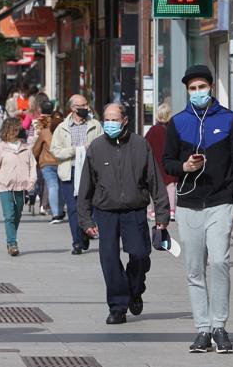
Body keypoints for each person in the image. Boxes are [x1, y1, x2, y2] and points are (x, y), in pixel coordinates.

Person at [163, 65, 233, 353]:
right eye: (192, 88)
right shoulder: (178, 123)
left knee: (219, 262)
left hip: (220, 203)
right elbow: (167, 163)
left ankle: (219, 326)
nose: (198, 92)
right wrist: (185, 166)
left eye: (202, 87)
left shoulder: (229, 120)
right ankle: (202, 329)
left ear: (211, 87)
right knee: (194, 269)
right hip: (188, 205)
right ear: (187, 91)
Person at [78, 103, 170, 325]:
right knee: (109, 260)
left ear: (124, 120)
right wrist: (86, 219)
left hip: (134, 209)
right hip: (106, 212)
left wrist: (161, 217)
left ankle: (135, 288)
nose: (109, 124)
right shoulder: (96, 148)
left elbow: (155, 182)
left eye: (114, 119)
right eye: (106, 119)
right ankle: (118, 307)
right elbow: (85, 188)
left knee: (139, 254)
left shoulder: (140, 145)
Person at [51, 94, 103, 255]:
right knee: (73, 208)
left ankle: (87, 230)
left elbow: (102, 145)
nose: (86, 108)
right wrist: (76, 150)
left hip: (89, 171)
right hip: (70, 171)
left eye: (87, 104)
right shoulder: (62, 127)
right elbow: (55, 151)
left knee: (90, 205)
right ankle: (78, 241)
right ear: (73, 108)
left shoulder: (95, 125)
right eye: (82, 105)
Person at [0, 118, 37, 257]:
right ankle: (12, 243)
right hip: (4, 186)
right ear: (7, 130)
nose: (17, 131)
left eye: (18, 129)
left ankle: (11, 238)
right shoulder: (1, 147)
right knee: (9, 215)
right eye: (14, 129)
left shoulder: (25, 147)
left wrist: (31, 181)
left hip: (21, 186)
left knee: (17, 214)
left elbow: (32, 165)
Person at [145, 103, 178, 221]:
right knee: (171, 187)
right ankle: (172, 210)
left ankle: (152, 211)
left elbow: (146, 146)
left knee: (153, 187)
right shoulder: (172, 130)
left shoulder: (152, 130)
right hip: (169, 163)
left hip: (155, 163)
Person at [33, 100, 64, 224]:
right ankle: (60, 211)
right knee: (61, 188)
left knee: (52, 187)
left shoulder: (44, 132)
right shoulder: (63, 131)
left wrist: (35, 160)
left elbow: (36, 149)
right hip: (61, 162)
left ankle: (56, 214)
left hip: (47, 163)